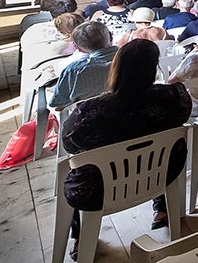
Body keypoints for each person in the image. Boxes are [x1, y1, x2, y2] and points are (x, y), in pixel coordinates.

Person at [61, 39, 191, 254]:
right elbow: (183, 116)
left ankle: (82, 236)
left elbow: (70, 143)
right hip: (161, 172)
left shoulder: (91, 111)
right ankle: (162, 209)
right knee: (158, 147)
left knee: (75, 168)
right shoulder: (173, 96)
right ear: (153, 68)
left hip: (101, 186)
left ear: (117, 67)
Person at [49, 22, 119, 111]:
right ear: (111, 36)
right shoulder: (135, 58)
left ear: (78, 48)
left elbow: (58, 105)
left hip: (87, 121)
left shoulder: (74, 70)